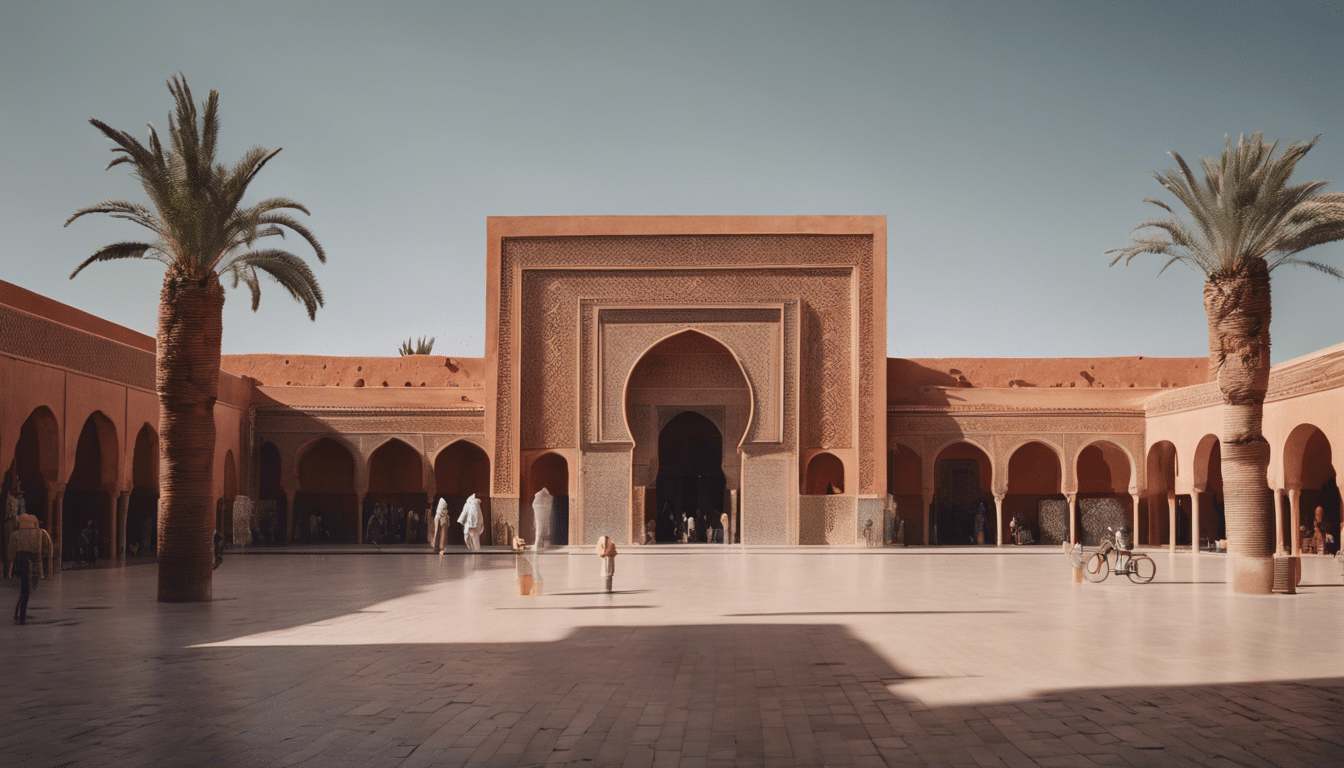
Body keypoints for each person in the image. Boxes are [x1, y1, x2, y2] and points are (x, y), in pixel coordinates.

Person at [6, 514, 53, 625]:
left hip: (22, 562)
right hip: (34, 562)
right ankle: (21, 615)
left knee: (24, 588)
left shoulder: (15, 534)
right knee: (27, 589)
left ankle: (20, 613)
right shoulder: (39, 533)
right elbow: (44, 548)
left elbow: (10, 553)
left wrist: (10, 565)